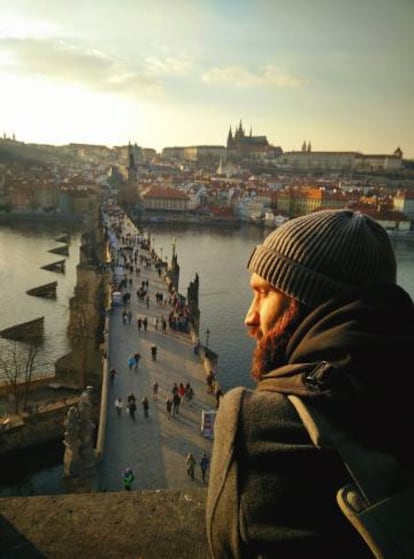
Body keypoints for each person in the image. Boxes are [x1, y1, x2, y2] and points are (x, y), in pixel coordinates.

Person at [206, 209, 414, 559]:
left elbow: (224, 548)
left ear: (306, 300)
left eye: (264, 293)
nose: (249, 317)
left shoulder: (257, 421)